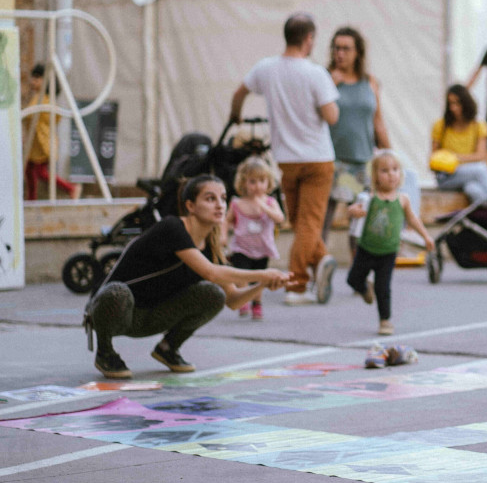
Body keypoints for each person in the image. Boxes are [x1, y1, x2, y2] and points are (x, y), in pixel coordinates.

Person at [85, 175, 291, 379]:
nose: (220, 205)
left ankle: (168, 348)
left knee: (214, 294)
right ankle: (105, 352)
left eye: (223, 198)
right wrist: (263, 273)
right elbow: (210, 272)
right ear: (190, 206)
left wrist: (262, 284)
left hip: (151, 317)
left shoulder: (211, 247)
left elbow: (233, 300)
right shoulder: (172, 227)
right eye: (210, 199)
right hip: (115, 312)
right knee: (117, 292)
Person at [231, 12, 340, 306]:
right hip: (318, 159)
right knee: (309, 222)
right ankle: (297, 285)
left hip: (286, 159)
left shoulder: (266, 69)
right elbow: (332, 116)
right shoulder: (316, 73)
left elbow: (239, 93)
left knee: (298, 220)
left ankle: (323, 260)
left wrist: (236, 118)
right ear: (309, 39)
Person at [346, 151, 434, 337]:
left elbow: (413, 219)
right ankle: (364, 289)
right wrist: (353, 211)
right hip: (366, 249)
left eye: (395, 170)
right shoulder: (370, 196)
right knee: (353, 279)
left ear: (400, 174)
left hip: (388, 252)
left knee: (383, 287)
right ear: (375, 176)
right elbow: (353, 210)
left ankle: (385, 320)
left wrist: (426, 236)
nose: (391, 174)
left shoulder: (402, 199)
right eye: (384, 171)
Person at [323, 26, 392, 253]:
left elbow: (377, 121)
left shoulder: (370, 82)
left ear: (358, 53)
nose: (339, 53)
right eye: (336, 48)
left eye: (345, 48)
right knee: (323, 222)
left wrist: (390, 155)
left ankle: (359, 279)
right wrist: (330, 85)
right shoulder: (324, 79)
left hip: (362, 163)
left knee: (359, 225)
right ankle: (315, 275)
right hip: (331, 162)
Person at [227, 157, 285, 321]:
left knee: (259, 278)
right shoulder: (237, 203)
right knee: (242, 275)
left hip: (262, 249)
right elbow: (227, 220)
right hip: (242, 247)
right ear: (244, 183)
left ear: (268, 182)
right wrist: (223, 234)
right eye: (252, 181)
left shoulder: (270, 202)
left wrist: (264, 207)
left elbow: (280, 218)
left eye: (262, 181)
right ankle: (243, 300)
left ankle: (257, 303)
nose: (257, 186)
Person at [431, 85, 487, 204]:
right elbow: (433, 159)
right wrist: (450, 161)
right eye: (450, 103)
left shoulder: (478, 126)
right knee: (480, 169)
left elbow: (481, 155)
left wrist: (453, 157)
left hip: (469, 175)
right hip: (447, 176)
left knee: (473, 190)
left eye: (457, 103)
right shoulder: (440, 126)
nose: (453, 108)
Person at [22, 63, 81, 200]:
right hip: (34, 145)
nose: (33, 82)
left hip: (41, 145)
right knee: (30, 171)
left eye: (37, 79)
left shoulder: (44, 99)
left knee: (40, 172)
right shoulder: (39, 98)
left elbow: (33, 114)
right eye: (33, 78)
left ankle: (70, 188)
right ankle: (32, 199)